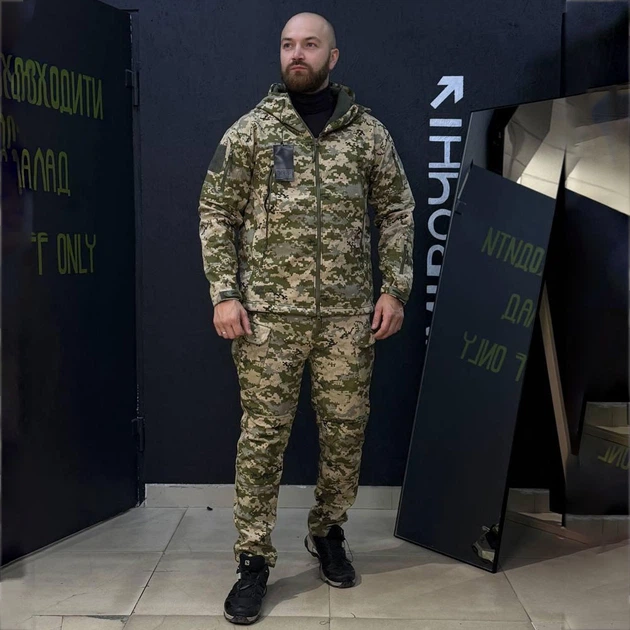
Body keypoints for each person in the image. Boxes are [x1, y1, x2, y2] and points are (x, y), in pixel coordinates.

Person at [198, 11, 415, 626]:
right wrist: (224, 293)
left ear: (332, 57)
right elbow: (216, 211)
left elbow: (397, 210)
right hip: (267, 320)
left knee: (345, 434)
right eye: (288, 44)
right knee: (263, 439)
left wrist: (394, 289)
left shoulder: (368, 135)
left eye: (310, 45)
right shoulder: (253, 131)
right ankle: (253, 559)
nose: (297, 54)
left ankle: (327, 531)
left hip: (348, 318)